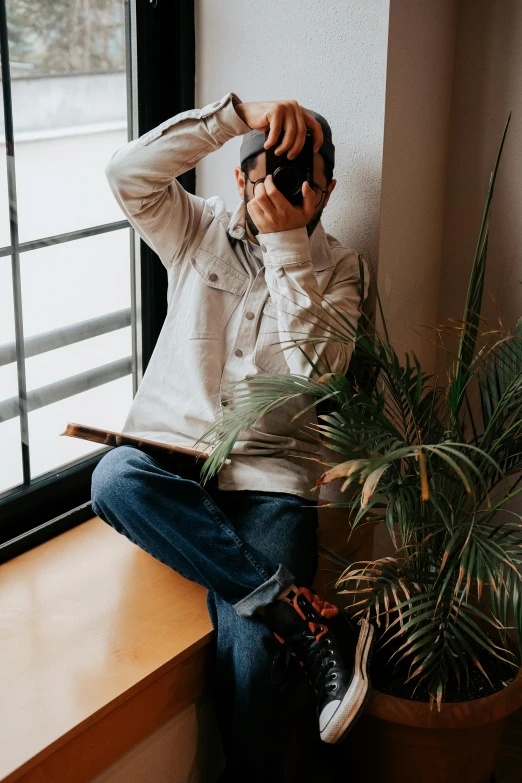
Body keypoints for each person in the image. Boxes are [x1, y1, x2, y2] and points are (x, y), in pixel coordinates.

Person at [91, 93, 372, 781]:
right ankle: (312, 623)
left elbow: (316, 375)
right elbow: (124, 173)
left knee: (251, 650)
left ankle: (281, 633)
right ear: (239, 176)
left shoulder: (340, 269)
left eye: (297, 175)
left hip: (269, 488)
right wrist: (236, 117)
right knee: (112, 479)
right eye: (262, 170)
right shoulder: (196, 229)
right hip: (173, 474)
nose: (275, 185)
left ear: (327, 187)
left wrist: (286, 247)